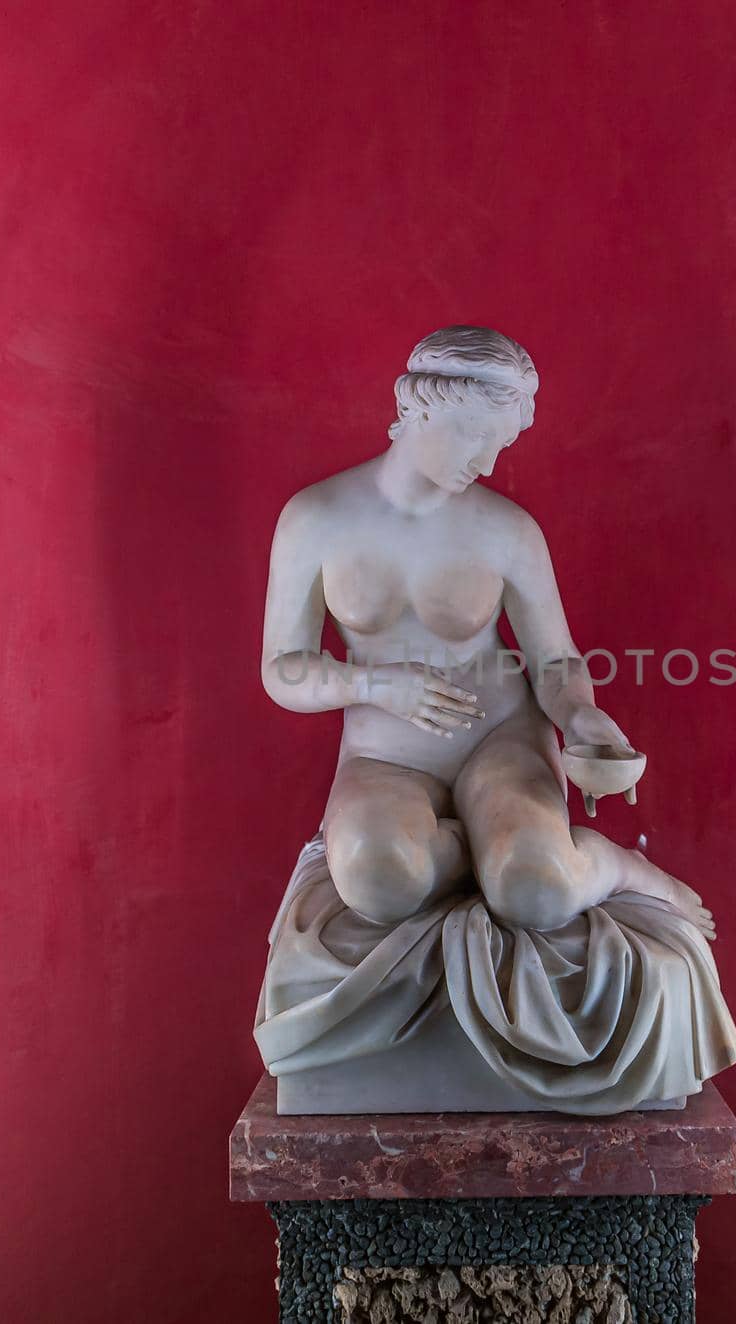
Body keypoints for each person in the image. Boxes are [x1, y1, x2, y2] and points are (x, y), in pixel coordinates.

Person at [260, 325, 712, 936]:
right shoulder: (316, 519)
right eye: (475, 437)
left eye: (500, 446)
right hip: (385, 753)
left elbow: (554, 659)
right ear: (416, 407)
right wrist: (375, 685)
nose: (487, 464)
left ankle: (614, 866)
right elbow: (283, 668)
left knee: (539, 891)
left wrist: (579, 715)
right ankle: (479, 848)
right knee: (379, 880)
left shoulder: (506, 530)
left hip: (499, 737)